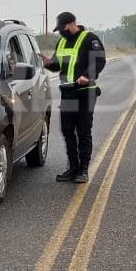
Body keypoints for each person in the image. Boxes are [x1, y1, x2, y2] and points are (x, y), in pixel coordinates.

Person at [41, 11, 106, 183]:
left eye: (62, 28)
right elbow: (58, 65)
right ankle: (73, 167)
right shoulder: (62, 41)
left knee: (83, 131)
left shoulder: (89, 38)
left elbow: (99, 60)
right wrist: (48, 63)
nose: (60, 32)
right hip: (68, 93)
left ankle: (83, 170)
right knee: (68, 130)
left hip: (85, 93)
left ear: (71, 24)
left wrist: (87, 75)